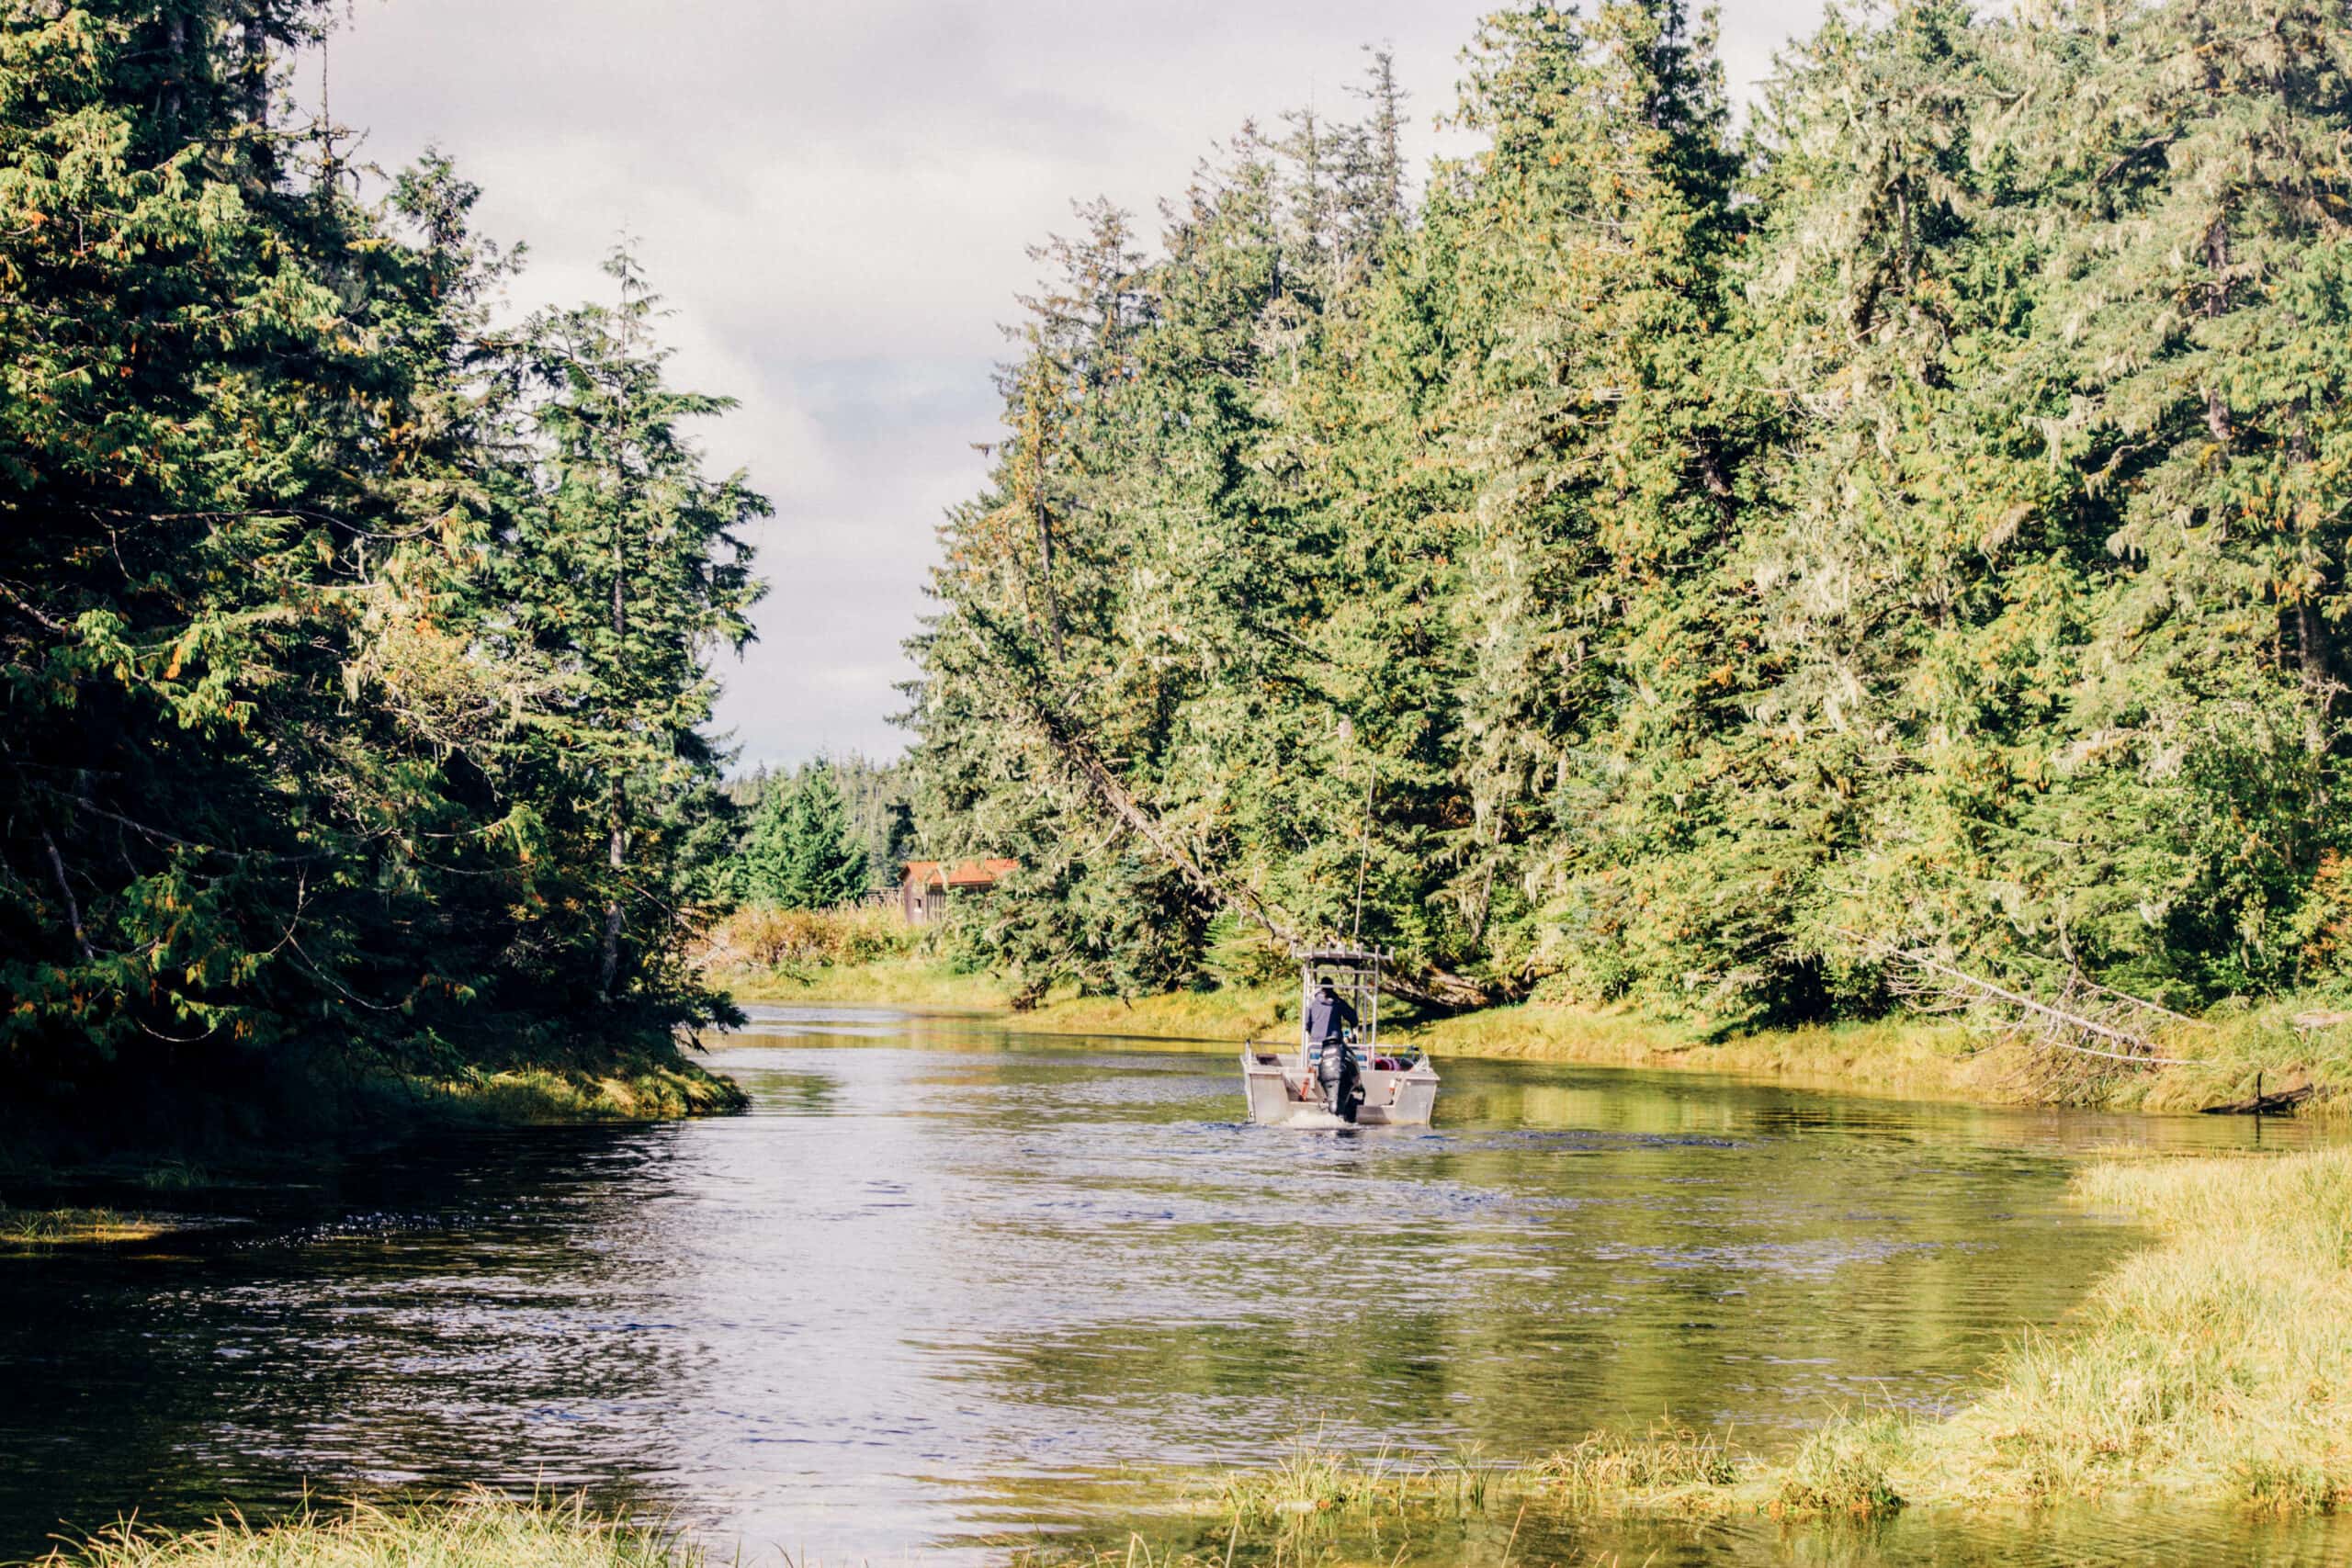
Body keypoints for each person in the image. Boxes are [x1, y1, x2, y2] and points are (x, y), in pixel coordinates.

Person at [1306, 979, 1363, 1123]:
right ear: (1332, 988)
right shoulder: (1337, 1003)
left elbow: (1307, 1025)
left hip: (1315, 1049)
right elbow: (1354, 1019)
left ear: (1320, 988)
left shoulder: (1313, 1004)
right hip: (1335, 1047)